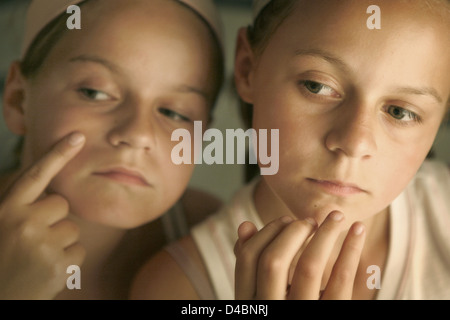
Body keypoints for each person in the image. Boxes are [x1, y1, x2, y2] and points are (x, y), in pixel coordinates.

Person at [130, 0, 450, 300]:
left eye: (401, 112)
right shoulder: (181, 287)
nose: (354, 143)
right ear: (246, 68)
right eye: (317, 86)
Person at [0, 0, 225, 300]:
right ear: (17, 100)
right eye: (95, 93)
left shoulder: (214, 238)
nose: (137, 134)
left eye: (175, 113)